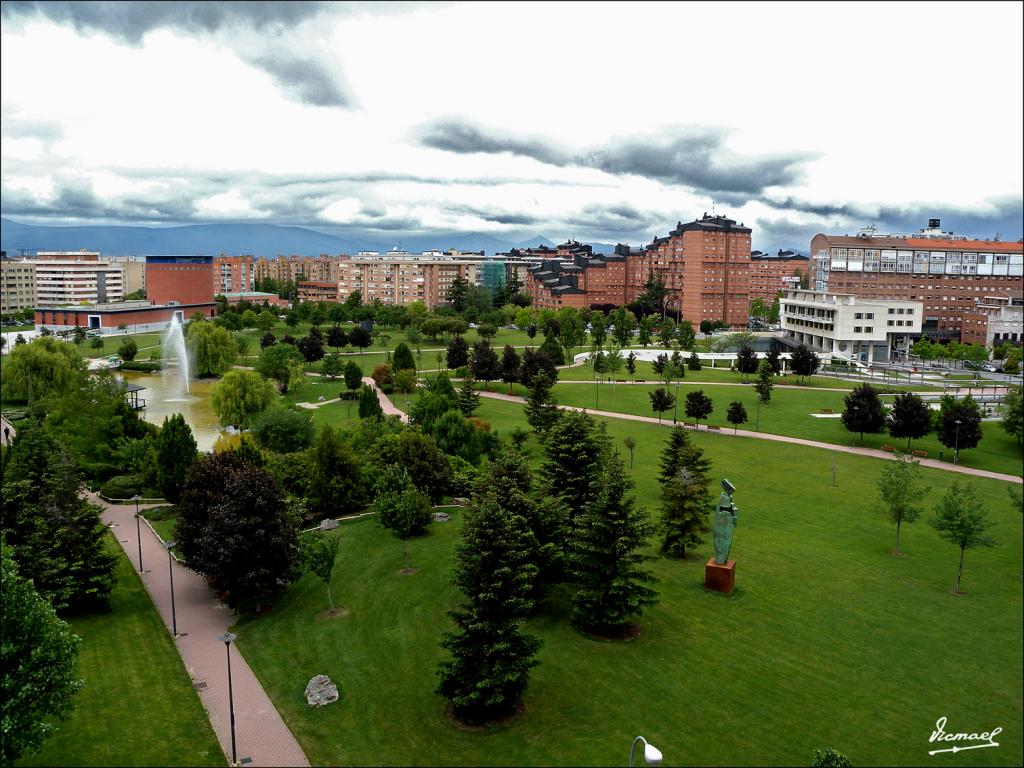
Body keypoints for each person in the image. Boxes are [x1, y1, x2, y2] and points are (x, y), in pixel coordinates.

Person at [713, 479, 739, 564]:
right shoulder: (724, 498)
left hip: (727, 522)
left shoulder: (727, 497)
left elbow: (732, 509)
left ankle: (722, 559)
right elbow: (725, 509)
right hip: (724, 522)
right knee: (722, 541)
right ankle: (720, 559)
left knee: (726, 541)